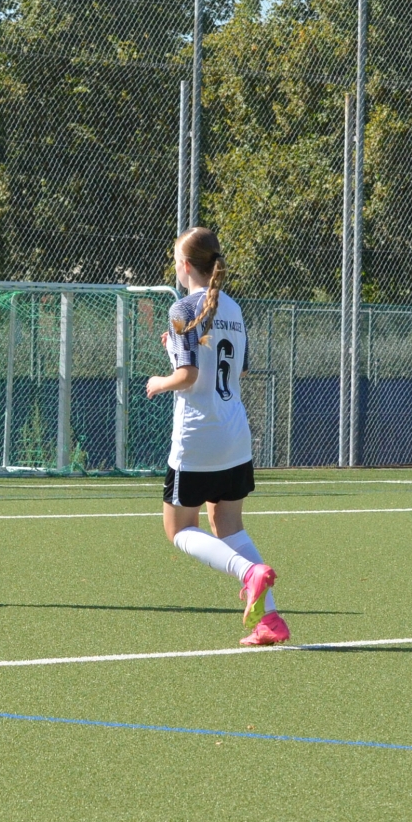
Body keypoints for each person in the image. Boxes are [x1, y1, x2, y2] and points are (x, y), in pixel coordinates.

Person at [145, 227, 287, 646]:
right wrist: (175, 350)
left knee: (178, 530)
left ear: (186, 266)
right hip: (235, 434)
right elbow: (235, 369)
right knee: (228, 525)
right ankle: (270, 619)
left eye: (176, 260)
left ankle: (249, 572)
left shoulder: (181, 307)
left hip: (198, 437)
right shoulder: (234, 308)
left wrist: (158, 381)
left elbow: (188, 376)